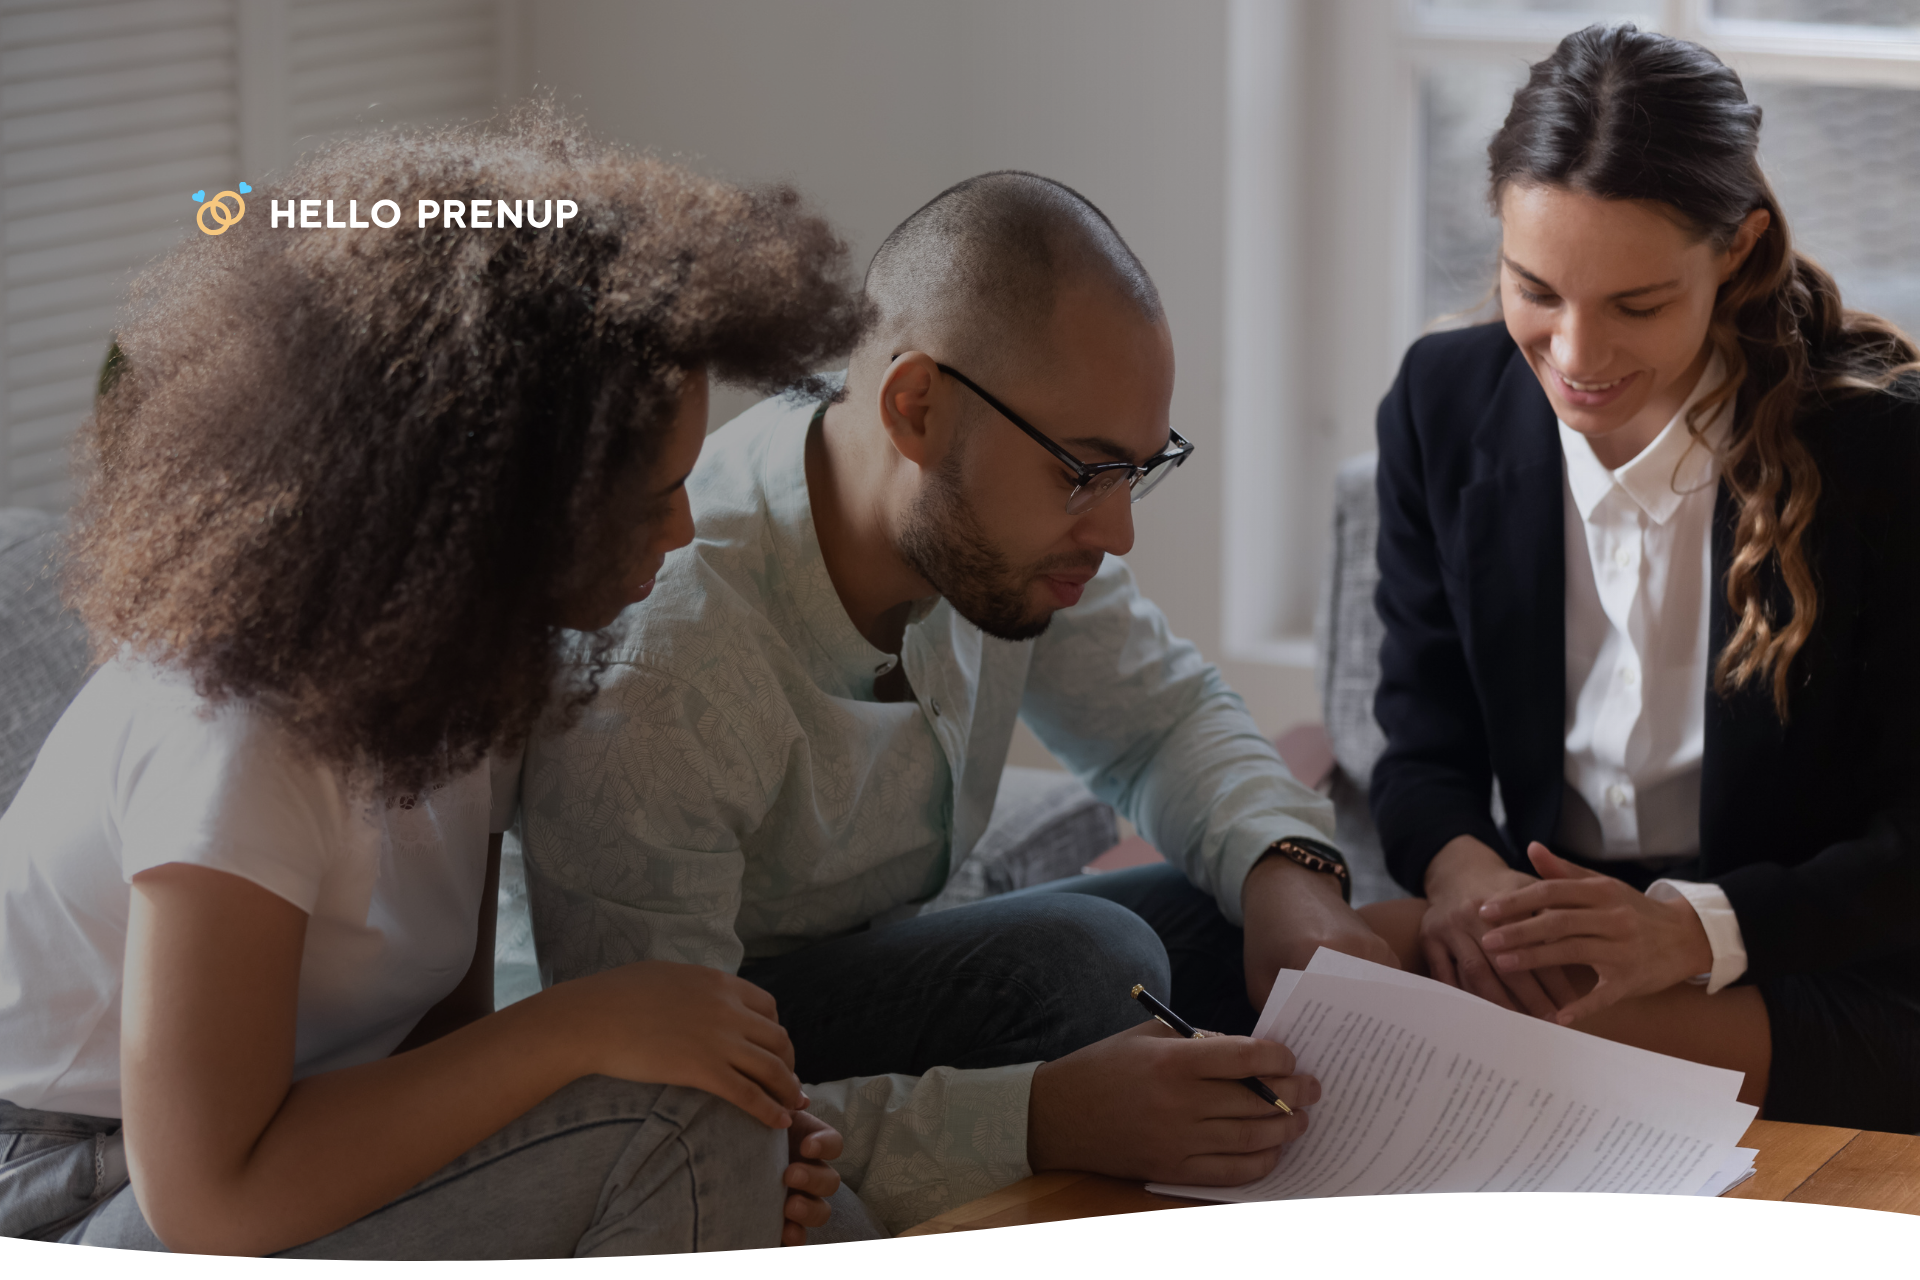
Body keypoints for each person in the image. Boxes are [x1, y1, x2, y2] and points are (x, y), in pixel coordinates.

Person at [0, 111, 871, 1255]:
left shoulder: (461, 659)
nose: (685, 525)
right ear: (492, 501)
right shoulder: (236, 732)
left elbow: (434, 1045)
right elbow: (209, 1196)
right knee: (674, 1129)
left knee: (731, 1139)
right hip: (72, 1189)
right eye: (647, 494)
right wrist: (578, 1029)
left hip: (264, 1151)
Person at [519, 170, 1395, 1233]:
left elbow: (1164, 721)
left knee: (1261, 910)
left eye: (1137, 469)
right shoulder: (665, 669)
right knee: (1096, 970)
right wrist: (1039, 1119)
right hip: (703, 1054)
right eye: (1085, 472)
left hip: (858, 979)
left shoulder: (987, 533)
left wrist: (1289, 878)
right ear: (918, 409)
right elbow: (659, 1120)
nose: (1117, 533)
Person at [1361, 24, 1920, 1132]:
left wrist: (1698, 928)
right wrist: (1471, 883)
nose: (1575, 355)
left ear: (1739, 252)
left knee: (1503, 1038)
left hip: (1817, 950)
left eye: (1637, 305)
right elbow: (1421, 749)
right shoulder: (1440, 403)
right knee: (1317, 966)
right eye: (1536, 290)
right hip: (1564, 931)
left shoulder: (1883, 449)